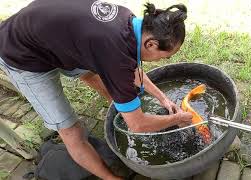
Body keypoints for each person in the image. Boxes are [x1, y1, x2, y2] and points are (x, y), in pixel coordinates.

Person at [0, 0, 193, 179]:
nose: (162, 61)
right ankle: (110, 178)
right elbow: (138, 126)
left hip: (50, 34)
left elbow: (131, 65)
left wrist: (163, 99)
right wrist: (177, 119)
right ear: (151, 44)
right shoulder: (114, 56)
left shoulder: (130, 22)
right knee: (71, 131)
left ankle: (122, 106)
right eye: (164, 57)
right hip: (21, 53)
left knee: (95, 72)